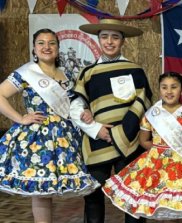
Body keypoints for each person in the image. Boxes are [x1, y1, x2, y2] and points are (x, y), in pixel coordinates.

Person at [0, 28, 100, 223]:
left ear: (58, 47)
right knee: (41, 190)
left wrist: (85, 111)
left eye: (51, 43)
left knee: (49, 189)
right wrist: (20, 118)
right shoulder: (26, 73)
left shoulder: (67, 74)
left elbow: (73, 105)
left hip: (64, 136)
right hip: (37, 137)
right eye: (41, 43)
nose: (47, 47)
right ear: (34, 49)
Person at [70, 19, 153, 223]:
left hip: (130, 140)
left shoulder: (135, 70)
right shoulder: (86, 72)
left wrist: (123, 131)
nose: (109, 42)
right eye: (105, 37)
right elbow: (75, 107)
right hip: (97, 140)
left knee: (133, 196)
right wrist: (95, 128)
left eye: (115, 37)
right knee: (93, 196)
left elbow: (143, 104)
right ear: (98, 40)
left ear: (123, 41)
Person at [102, 71, 182, 220]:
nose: (169, 91)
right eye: (164, 87)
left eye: (174, 87)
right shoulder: (152, 113)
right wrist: (158, 151)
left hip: (181, 163)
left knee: (176, 205)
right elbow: (144, 140)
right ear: (159, 89)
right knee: (156, 203)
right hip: (155, 163)